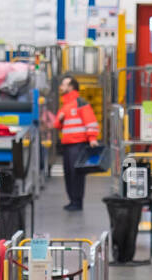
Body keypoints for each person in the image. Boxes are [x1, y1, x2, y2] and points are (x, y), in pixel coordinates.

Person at [45, 76, 100, 211]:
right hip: (68, 145)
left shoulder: (81, 103)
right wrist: (61, 119)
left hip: (79, 144)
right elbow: (57, 125)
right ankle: (72, 200)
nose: (61, 87)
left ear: (71, 87)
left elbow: (91, 122)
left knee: (77, 174)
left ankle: (77, 201)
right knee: (69, 174)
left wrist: (92, 138)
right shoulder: (65, 106)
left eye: (64, 85)